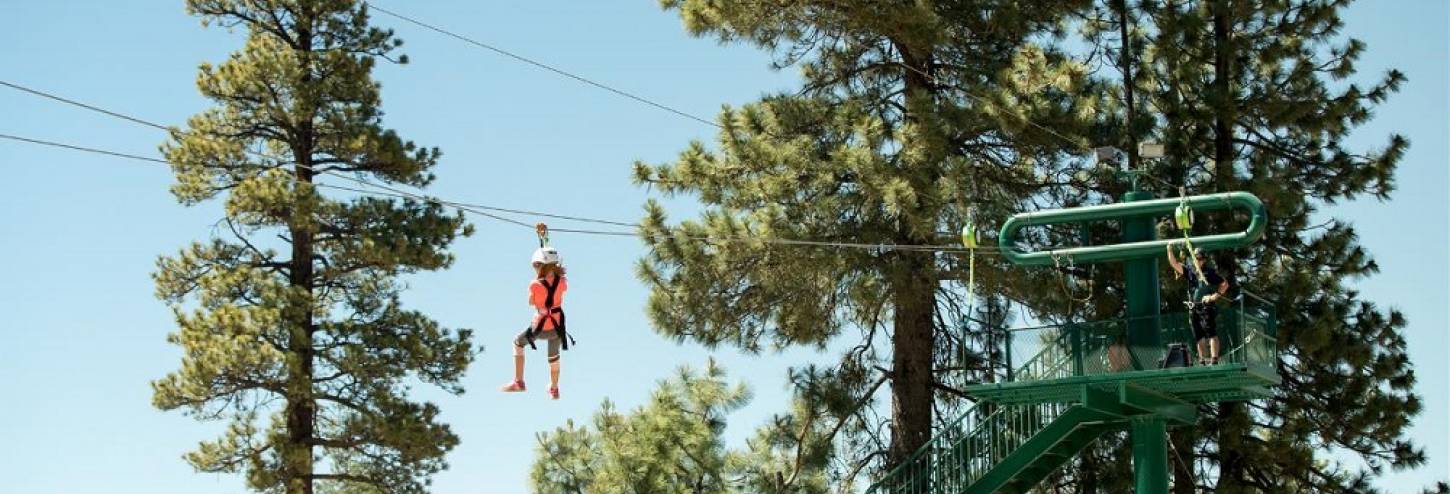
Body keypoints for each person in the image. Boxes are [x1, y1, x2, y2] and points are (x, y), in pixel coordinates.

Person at [500, 246, 569, 399]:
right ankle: (554, 388)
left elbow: (531, 302)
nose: (534, 269)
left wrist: (538, 282)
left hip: (540, 327)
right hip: (557, 328)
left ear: (542, 266)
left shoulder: (535, 285)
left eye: (536, 265)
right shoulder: (563, 282)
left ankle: (518, 381)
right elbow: (558, 282)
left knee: (517, 343)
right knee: (554, 358)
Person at [1166, 243, 1231, 365]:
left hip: (1206, 307)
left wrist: (1213, 297)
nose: (1198, 261)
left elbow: (1225, 284)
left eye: (1200, 258)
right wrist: (1169, 249)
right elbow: (1174, 264)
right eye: (1196, 258)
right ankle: (1201, 360)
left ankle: (1214, 359)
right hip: (1194, 308)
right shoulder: (1190, 271)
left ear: (1204, 260)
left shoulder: (1208, 272)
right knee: (1198, 336)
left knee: (1211, 333)